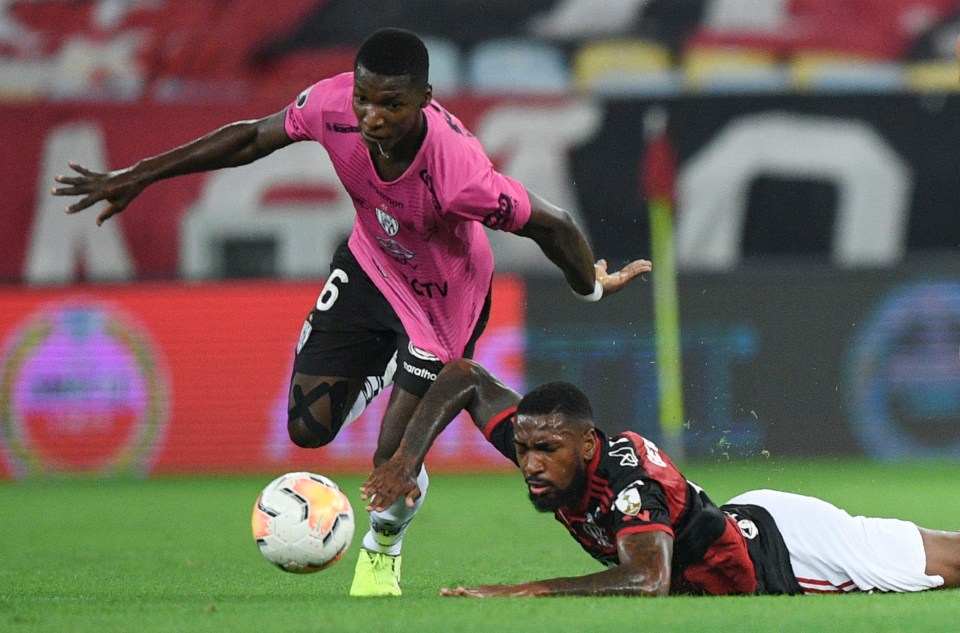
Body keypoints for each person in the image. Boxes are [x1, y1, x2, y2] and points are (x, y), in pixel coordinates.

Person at [50, 27, 652, 597]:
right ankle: (383, 372)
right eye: (365, 99)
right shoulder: (330, 103)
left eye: (390, 104)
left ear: (424, 99)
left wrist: (588, 287)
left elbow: (555, 224)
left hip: (442, 305)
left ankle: (381, 550)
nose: (371, 116)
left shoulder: (461, 173)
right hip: (369, 266)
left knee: (392, 463)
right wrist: (141, 174)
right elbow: (252, 138)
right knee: (306, 430)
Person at [360, 359, 960, 597]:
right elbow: (464, 377)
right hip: (738, 520)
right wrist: (406, 462)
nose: (531, 465)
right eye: (523, 449)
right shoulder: (546, 447)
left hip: (787, 552)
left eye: (546, 449)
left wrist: (524, 591)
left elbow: (648, 579)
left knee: (949, 565)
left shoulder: (625, 483)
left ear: (587, 444)